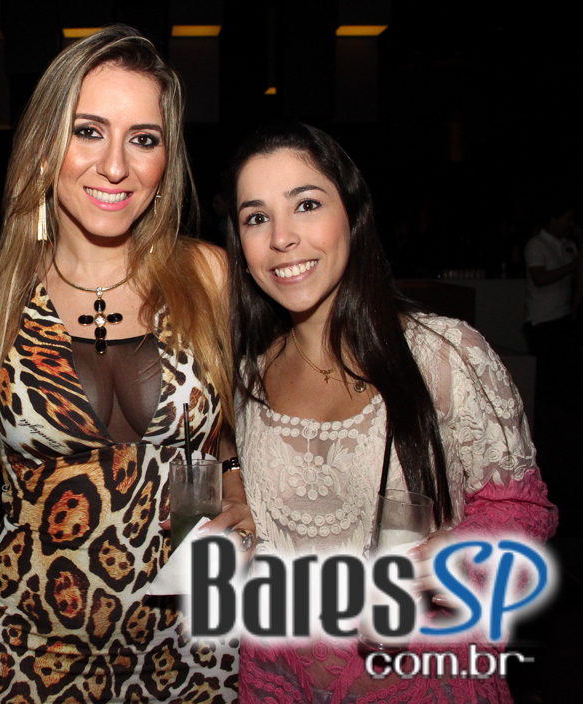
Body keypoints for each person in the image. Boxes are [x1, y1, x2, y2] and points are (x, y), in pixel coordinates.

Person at [226, 121, 558, 703]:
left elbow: (522, 508)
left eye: (306, 204)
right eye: (257, 217)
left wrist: (459, 557)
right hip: (279, 682)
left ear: (353, 216)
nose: (281, 238)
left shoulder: (445, 355)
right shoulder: (247, 376)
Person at [0, 25, 243, 704]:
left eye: (144, 139)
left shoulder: (207, 276)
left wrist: (237, 485)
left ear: (166, 159)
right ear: (45, 144)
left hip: (192, 648)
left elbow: (237, 429)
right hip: (34, 650)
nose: (115, 166)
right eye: (88, 131)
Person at [523, 198, 579, 396]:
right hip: (542, 319)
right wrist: (571, 267)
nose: (571, 224)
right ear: (553, 219)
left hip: (564, 316)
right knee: (542, 379)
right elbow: (539, 278)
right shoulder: (536, 244)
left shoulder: (569, 245)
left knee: (562, 377)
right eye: (567, 219)